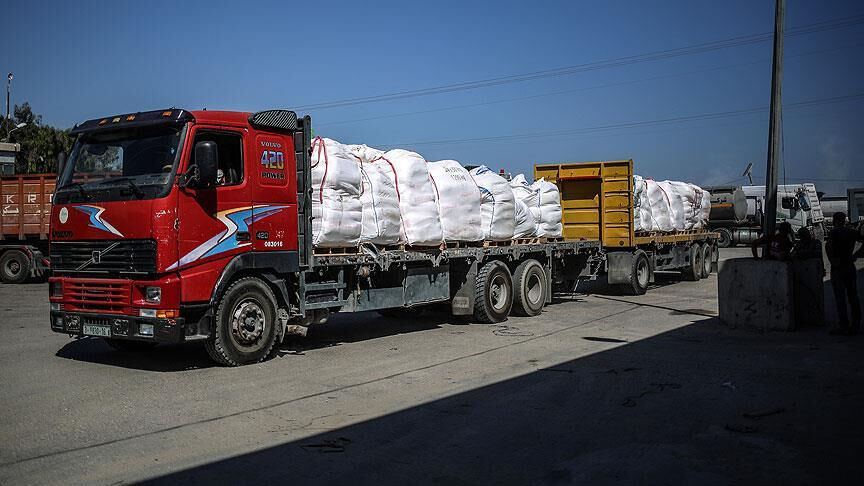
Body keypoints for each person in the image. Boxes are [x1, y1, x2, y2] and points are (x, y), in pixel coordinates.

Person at [826, 212, 864, 335]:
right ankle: (856, 324)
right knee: (853, 297)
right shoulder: (852, 232)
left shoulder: (834, 233)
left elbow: (829, 248)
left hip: (838, 269)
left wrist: (833, 261)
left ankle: (844, 325)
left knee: (840, 298)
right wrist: (856, 255)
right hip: (849, 266)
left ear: (835, 220)